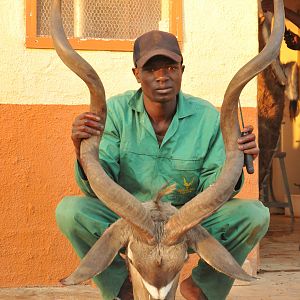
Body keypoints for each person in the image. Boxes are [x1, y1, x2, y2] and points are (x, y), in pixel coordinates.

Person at [56, 30, 269, 300]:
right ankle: (121, 288)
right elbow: (99, 181)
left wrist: (235, 159)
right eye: (151, 69)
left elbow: (214, 185)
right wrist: (81, 149)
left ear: (182, 69)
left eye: (170, 67)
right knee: (71, 212)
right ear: (136, 74)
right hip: (131, 222)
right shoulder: (116, 112)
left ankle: (202, 288)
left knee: (253, 215)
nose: (162, 76)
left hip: (185, 224)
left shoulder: (206, 117)